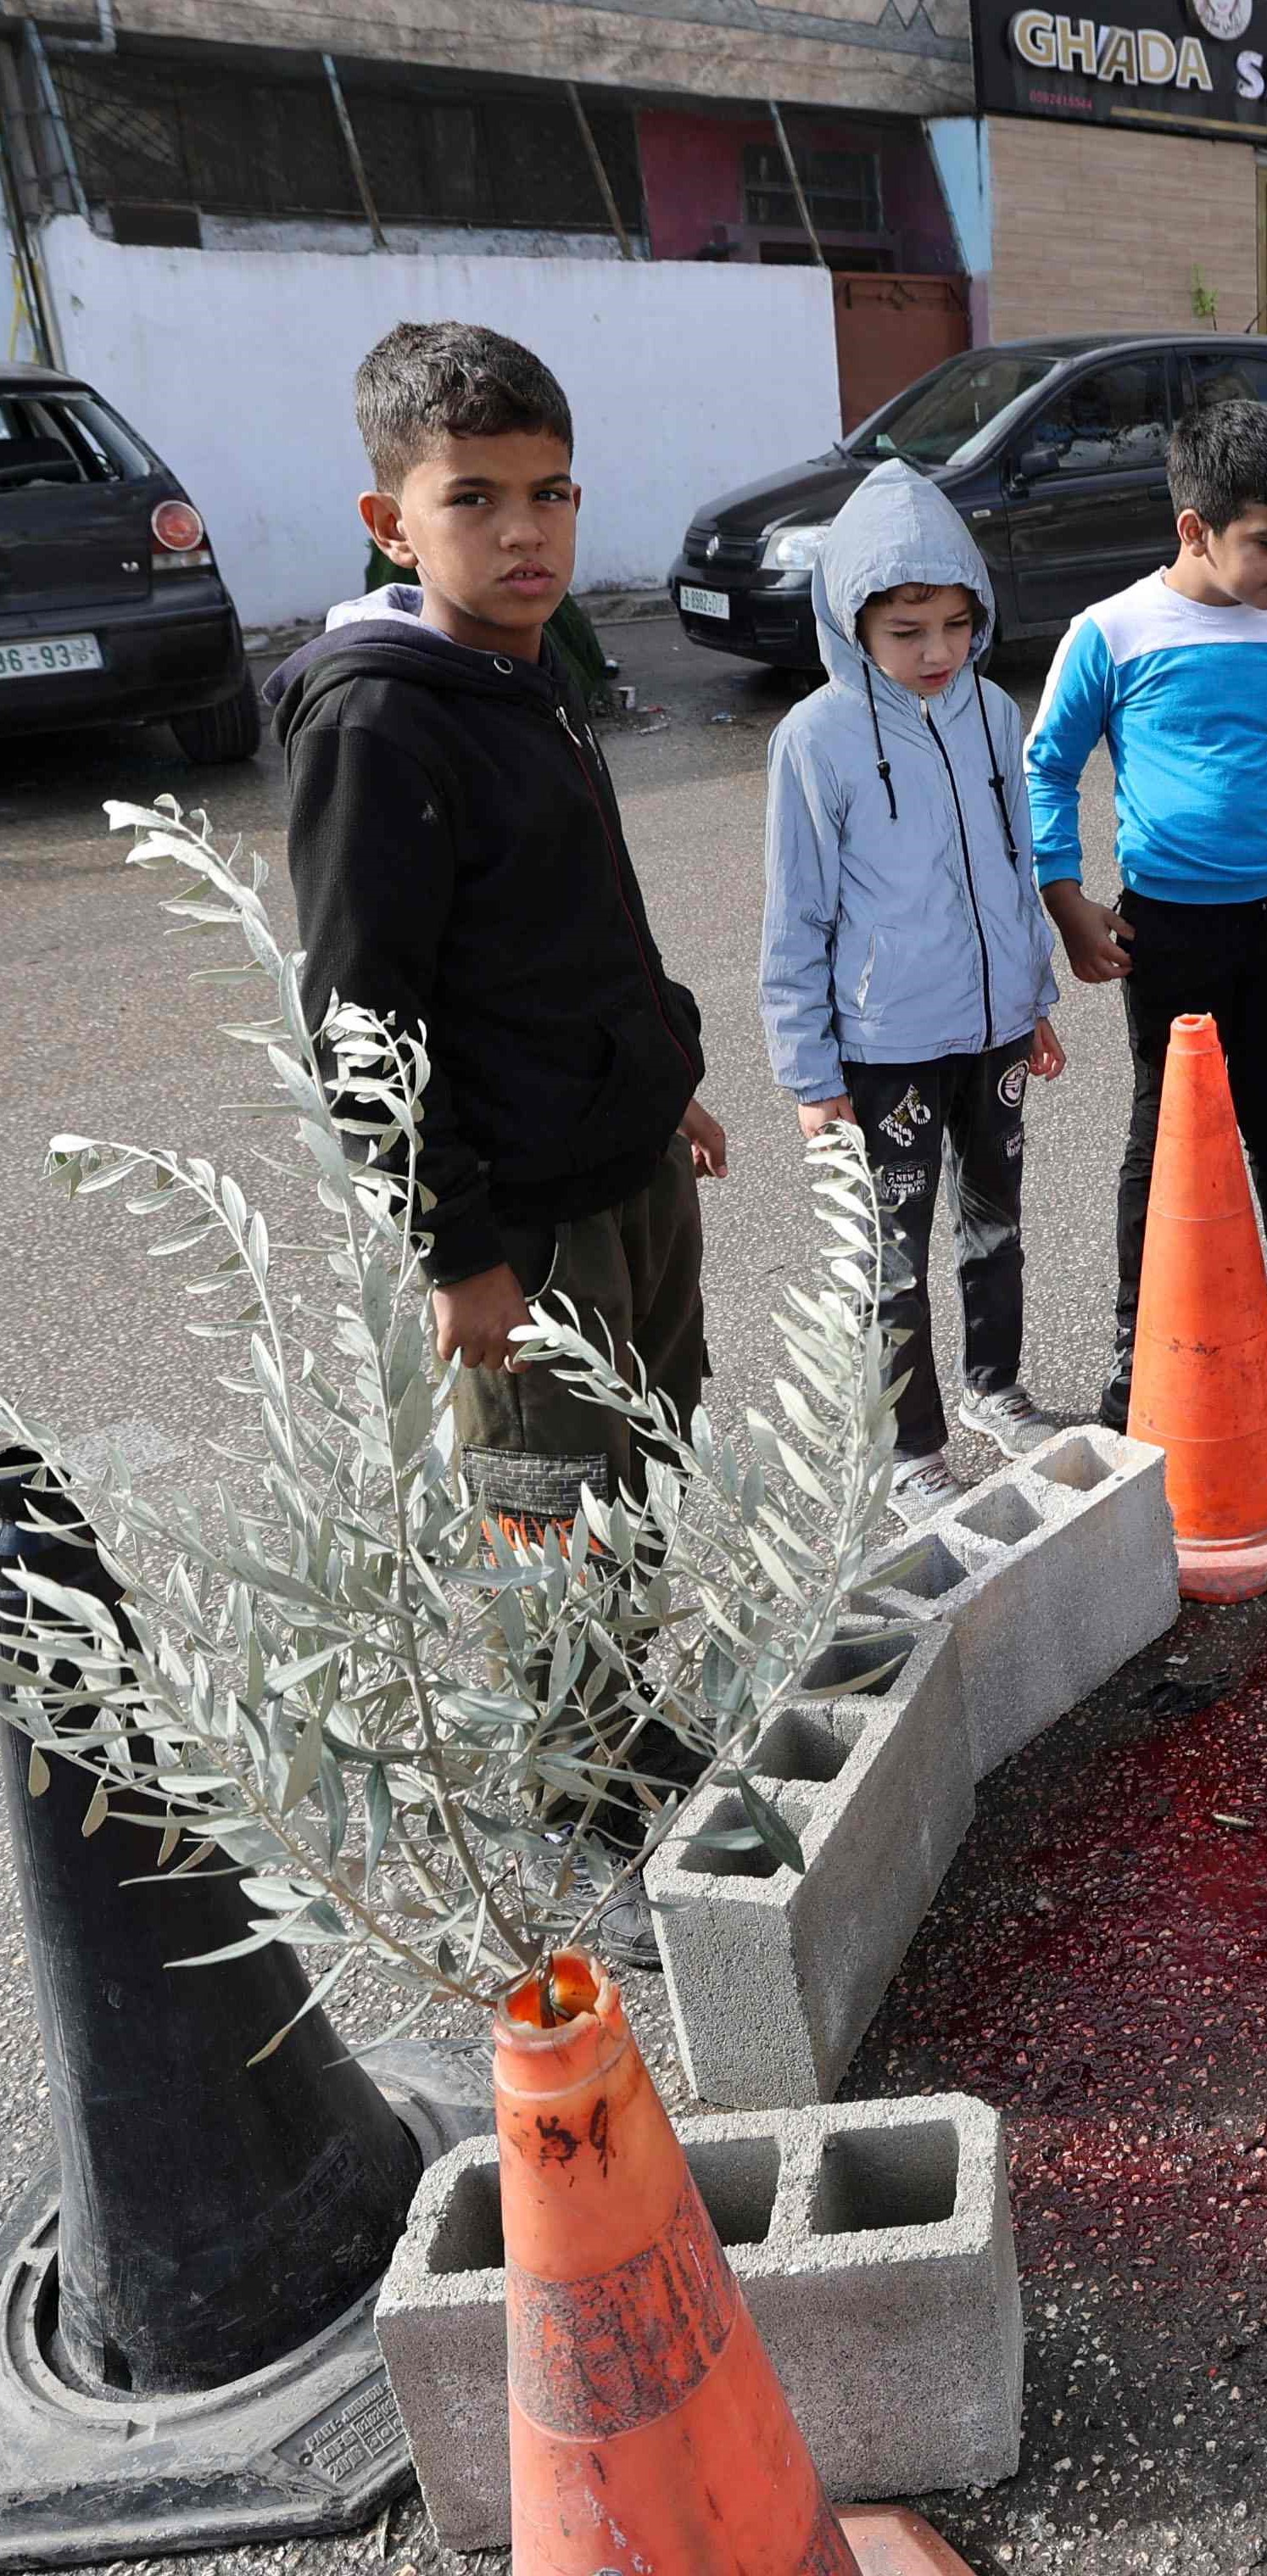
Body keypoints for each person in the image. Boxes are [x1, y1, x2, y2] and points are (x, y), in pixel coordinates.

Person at [267, 319, 728, 1954]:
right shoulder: (378, 721)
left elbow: (578, 926)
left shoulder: (528, 676)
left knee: (649, 1453)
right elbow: (364, 1024)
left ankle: (621, 1719)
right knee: (543, 1492)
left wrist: (660, 1075)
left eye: (552, 494)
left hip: (628, 1173)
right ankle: (572, 1782)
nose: (525, 533)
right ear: (391, 518)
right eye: (477, 499)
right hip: (518, 1231)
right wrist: (455, 1249)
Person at [1028, 395, 1267, 1413]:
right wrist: (1066, 898)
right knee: (1167, 1133)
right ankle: (1138, 1338)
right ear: (1195, 529)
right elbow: (1046, 769)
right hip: (1167, 930)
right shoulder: (1110, 632)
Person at [758, 461, 1066, 1519]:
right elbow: (793, 918)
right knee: (889, 1257)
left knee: (996, 1224)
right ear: (852, 627)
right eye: (905, 631)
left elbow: (1017, 863)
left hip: (991, 1032)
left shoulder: (991, 710)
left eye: (951, 624)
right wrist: (810, 1075)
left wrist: (1036, 999)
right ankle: (910, 1446)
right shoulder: (814, 739)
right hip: (882, 1045)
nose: (934, 652)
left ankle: (993, 1388)